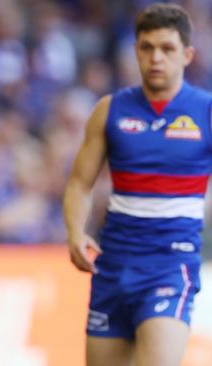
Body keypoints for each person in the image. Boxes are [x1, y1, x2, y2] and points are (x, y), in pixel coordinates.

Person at [63, 3, 206, 366]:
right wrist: (75, 232)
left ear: (187, 54)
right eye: (147, 47)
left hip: (170, 265)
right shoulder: (110, 110)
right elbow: (80, 183)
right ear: (136, 51)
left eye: (167, 48)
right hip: (113, 264)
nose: (156, 57)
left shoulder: (205, 111)